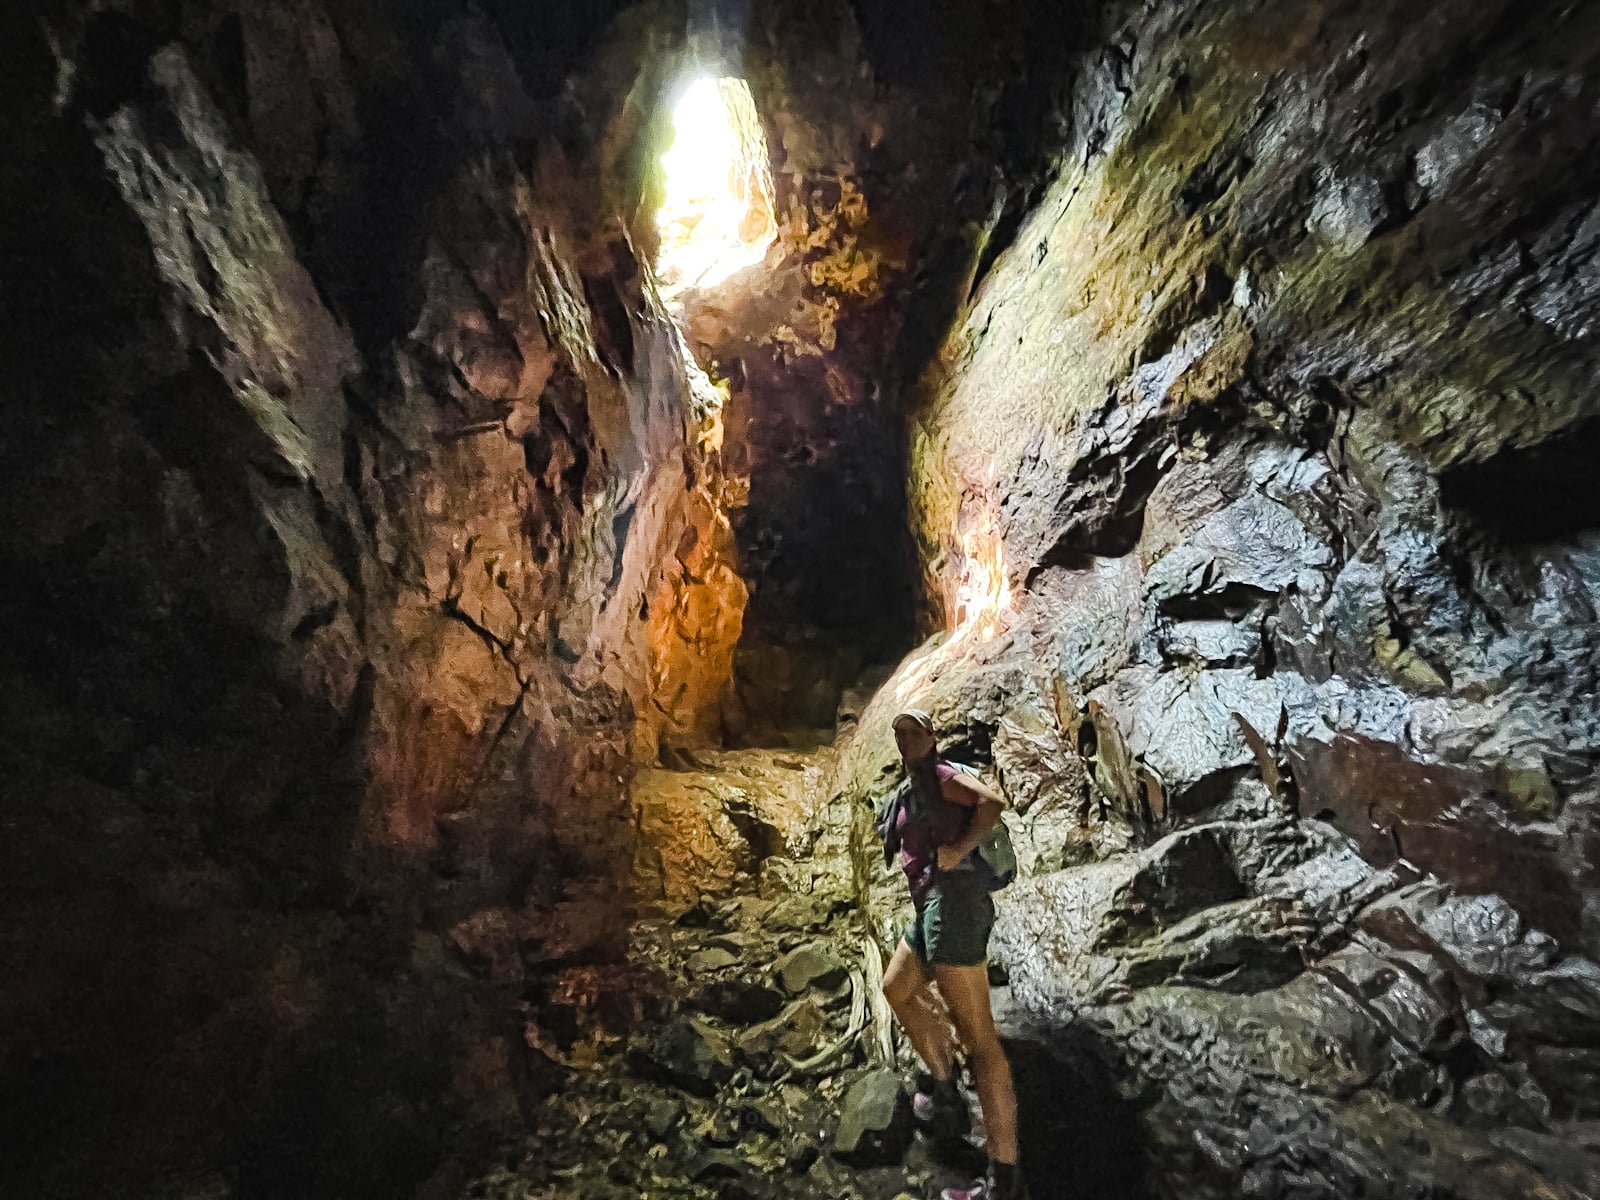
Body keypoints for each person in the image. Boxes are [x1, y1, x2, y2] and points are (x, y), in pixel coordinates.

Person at [880, 709, 1025, 1200]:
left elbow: (992, 801)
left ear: (932, 737)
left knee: (981, 1045)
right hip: (930, 907)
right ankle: (946, 1092)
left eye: (914, 732)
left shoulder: (942, 776)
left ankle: (1004, 1180)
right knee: (896, 988)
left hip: (955, 905)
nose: (905, 739)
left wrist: (960, 849)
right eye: (899, 733)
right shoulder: (913, 786)